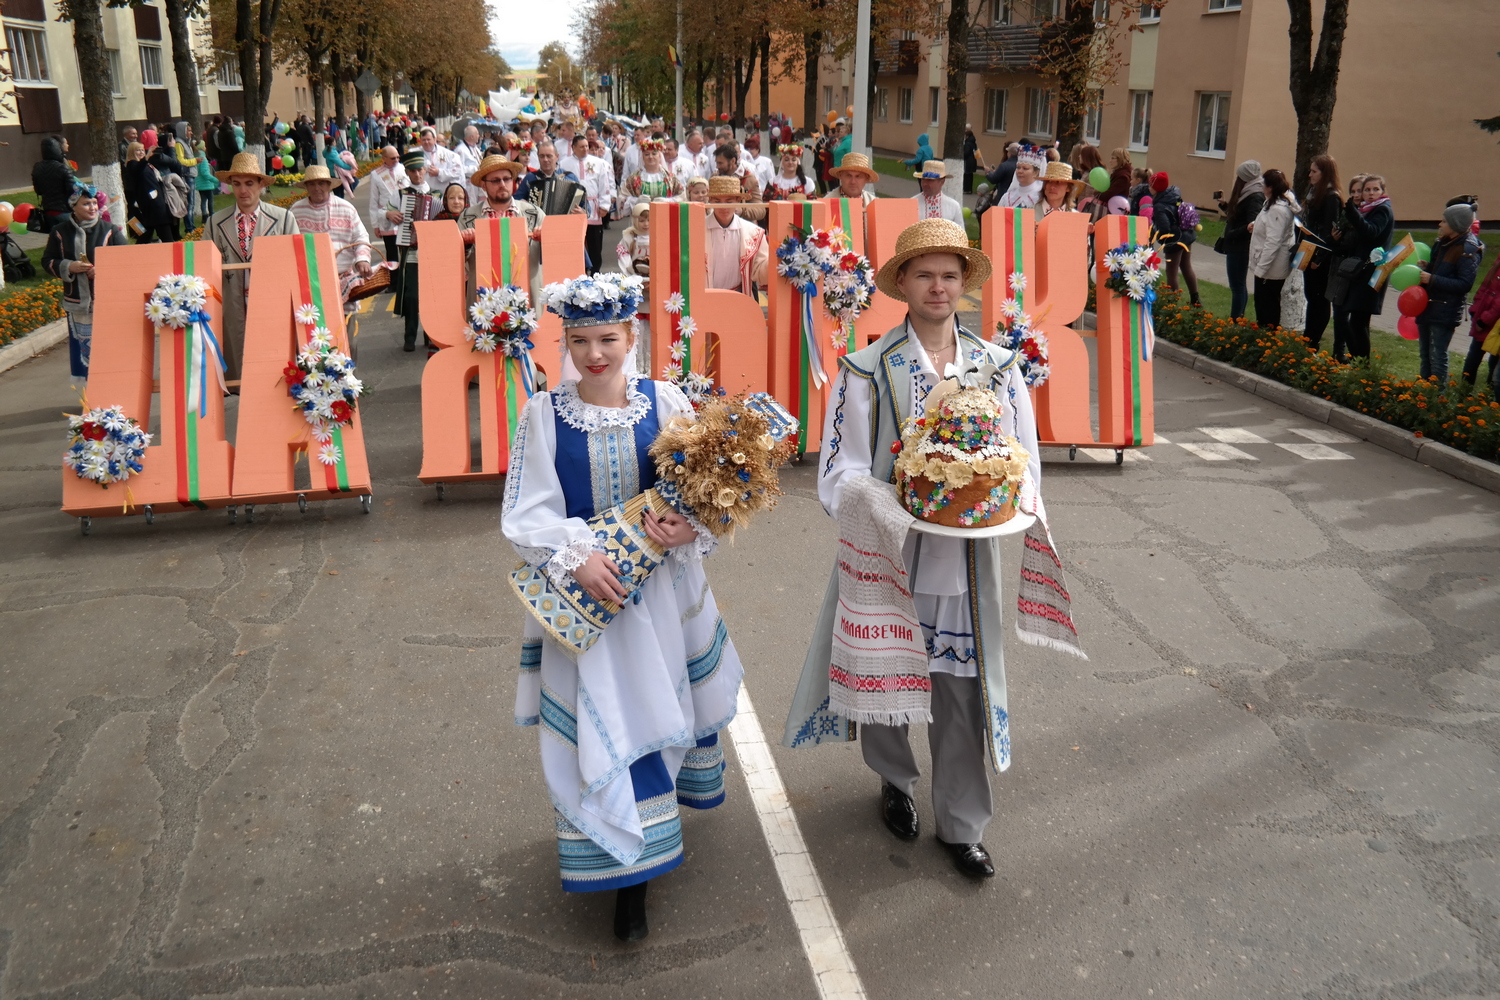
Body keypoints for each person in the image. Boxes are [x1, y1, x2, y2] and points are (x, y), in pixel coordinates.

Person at [782, 217, 1046, 880]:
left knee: (960, 691)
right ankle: (895, 781)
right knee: (886, 677)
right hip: (888, 558)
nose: (937, 285)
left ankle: (962, 824)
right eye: (924, 273)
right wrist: (891, 503)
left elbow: (1023, 460)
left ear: (964, 284)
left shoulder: (996, 367)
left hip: (963, 562)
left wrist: (1009, 500)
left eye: (949, 274)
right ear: (901, 282)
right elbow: (837, 471)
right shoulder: (865, 368)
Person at [502, 272, 743, 942]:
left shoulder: (664, 400)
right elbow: (525, 512)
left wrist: (690, 524)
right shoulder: (543, 414)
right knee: (602, 717)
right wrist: (574, 554)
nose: (595, 353)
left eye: (607, 338)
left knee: (654, 707)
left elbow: (706, 485)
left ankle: (643, 856)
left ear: (629, 335)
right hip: (587, 598)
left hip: (660, 595)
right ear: (567, 343)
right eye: (580, 340)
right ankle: (624, 875)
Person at [208, 152, 300, 379]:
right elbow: (205, 268)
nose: (243, 190)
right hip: (233, 304)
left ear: (261, 185)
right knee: (240, 363)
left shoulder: (284, 218)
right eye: (237, 184)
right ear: (230, 186)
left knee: (275, 364)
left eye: (249, 183)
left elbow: (297, 263)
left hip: (272, 302)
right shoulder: (215, 222)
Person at [42, 183, 124, 388]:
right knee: (86, 349)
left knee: (111, 347)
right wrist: (69, 266)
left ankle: (114, 389)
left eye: (95, 203)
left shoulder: (110, 231)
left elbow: (127, 260)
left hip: (108, 302)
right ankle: (92, 392)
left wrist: (103, 270)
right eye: (86, 204)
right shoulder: (60, 232)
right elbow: (47, 261)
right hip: (78, 302)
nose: (92, 208)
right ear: (74, 207)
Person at [289, 164, 374, 313]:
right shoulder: (296, 211)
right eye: (312, 184)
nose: (316, 188)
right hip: (309, 282)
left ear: (329, 185)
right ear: (306, 187)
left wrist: (362, 259)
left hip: (343, 279)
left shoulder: (346, 208)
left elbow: (360, 236)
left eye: (321, 183)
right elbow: (287, 243)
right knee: (314, 329)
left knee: (344, 329)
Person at [1414, 202, 1483, 384]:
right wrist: (1428, 267)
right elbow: (1443, 270)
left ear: (1456, 224)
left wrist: (1432, 279)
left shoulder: (1468, 249)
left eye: (1444, 221)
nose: (1439, 224)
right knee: (1425, 355)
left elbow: (1465, 283)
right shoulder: (1442, 242)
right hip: (1428, 305)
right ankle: (1422, 395)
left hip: (1445, 310)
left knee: (1438, 356)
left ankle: (1437, 397)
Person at [1327, 174, 1393, 361]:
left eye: (1375, 189)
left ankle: (1362, 364)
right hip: (1362, 271)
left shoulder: (1382, 210)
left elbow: (1371, 232)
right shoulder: (1367, 210)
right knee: (1354, 320)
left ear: (1382, 191)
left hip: (1372, 271)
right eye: (1367, 190)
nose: (1371, 193)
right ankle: (1358, 361)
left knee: (1358, 322)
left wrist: (1354, 215)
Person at [392, 149, 434, 353]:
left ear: (425, 169)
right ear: (407, 173)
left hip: (432, 254)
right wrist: (390, 213)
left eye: (420, 170)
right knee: (411, 297)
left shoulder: (436, 195)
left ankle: (431, 336)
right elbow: (385, 211)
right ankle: (409, 336)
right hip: (411, 252)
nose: (417, 175)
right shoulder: (401, 194)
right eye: (412, 171)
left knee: (431, 297)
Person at [1247, 169, 1299, 329]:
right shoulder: (1272, 202)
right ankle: (1265, 335)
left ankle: (1267, 336)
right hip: (1268, 265)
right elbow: (1271, 226)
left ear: (1270, 187)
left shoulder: (1278, 209)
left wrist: (1262, 269)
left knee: (1267, 306)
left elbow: (1273, 241)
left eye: (1264, 185)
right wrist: (1256, 226)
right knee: (1264, 303)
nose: (1262, 187)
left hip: (1271, 267)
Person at [1300, 155, 1342, 348]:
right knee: (1310, 295)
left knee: (1319, 299)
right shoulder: (1314, 192)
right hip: (1308, 248)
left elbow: (1329, 231)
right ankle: (1308, 336)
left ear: (1325, 173)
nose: (1310, 175)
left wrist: (1320, 257)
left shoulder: (1331, 196)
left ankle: (1313, 340)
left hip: (1320, 254)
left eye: (1314, 171)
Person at [1216, 160, 1265, 320]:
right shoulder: (1249, 191)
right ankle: (1238, 319)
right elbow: (1239, 216)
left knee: (1237, 286)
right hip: (1237, 245)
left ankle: (1236, 320)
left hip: (1240, 247)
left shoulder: (1255, 195)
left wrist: (1233, 233)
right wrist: (1225, 206)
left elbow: (1252, 224)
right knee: (1238, 286)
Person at [704, 175, 768, 294]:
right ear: (710, 200)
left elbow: (760, 274)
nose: (723, 207)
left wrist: (776, 261)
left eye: (729, 201)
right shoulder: (695, 229)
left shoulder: (754, 232)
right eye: (717, 201)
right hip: (704, 298)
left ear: (738, 200)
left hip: (739, 297)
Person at [1150, 172, 1201, 307]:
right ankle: (1195, 299)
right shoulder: (1174, 195)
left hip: (1174, 240)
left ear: (1155, 188)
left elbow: (1164, 228)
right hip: (1186, 235)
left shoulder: (1159, 206)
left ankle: (1172, 303)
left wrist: (1157, 235)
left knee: (1171, 272)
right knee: (1186, 266)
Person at [122, 141, 175, 245]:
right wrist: (146, 157)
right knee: (163, 231)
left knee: (147, 233)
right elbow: (138, 169)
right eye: (138, 150)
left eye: (142, 150)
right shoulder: (132, 164)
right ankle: (170, 248)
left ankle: (137, 252)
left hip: (155, 201)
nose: (141, 152)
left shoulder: (146, 164)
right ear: (132, 152)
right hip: (150, 204)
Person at [619, 136, 683, 216]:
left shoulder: (670, 178)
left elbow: (682, 198)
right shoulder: (633, 178)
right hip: (641, 221)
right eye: (647, 154)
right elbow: (622, 199)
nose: (651, 157)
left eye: (654, 154)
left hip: (664, 218)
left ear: (659, 156)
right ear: (642, 157)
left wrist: (668, 201)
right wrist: (636, 201)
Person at [1462, 253, 1500, 386]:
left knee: (1494, 360)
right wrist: (1475, 309)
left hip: (1495, 323)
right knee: (1473, 357)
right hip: (1484, 315)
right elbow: (1485, 287)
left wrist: (1484, 320)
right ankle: (1464, 392)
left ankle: (1490, 398)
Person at [517, 140, 584, 215]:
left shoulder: (570, 177)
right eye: (542, 156)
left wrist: (582, 211)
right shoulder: (530, 178)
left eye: (549, 156)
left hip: (564, 223)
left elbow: (584, 205)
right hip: (539, 224)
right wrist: (526, 206)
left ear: (557, 156)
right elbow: (516, 201)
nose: (545, 159)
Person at [367, 146, 408, 265]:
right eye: (392, 158)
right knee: (392, 254)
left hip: (404, 215)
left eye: (397, 157)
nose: (396, 160)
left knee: (406, 253)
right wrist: (375, 225)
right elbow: (373, 201)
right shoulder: (376, 174)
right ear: (384, 158)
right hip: (386, 217)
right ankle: (394, 281)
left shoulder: (404, 168)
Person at [32, 136, 76, 233]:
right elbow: (73, 190)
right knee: (70, 239)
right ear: (58, 149)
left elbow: (38, 191)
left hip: (48, 211)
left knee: (56, 240)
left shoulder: (37, 167)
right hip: (65, 210)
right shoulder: (63, 168)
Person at [912, 160, 965, 226]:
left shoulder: (953, 206)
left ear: (942, 181)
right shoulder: (911, 204)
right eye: (923, 179)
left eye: (930, 180)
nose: (924, 184)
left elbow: (961, 234)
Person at [997, 144, 1045, 209]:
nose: (1020, 171)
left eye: (1025, 168)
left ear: (1035, 173)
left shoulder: (1041, 197)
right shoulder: (1007, 197)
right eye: (1018, 167)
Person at [961, 124, 984, 195]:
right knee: (970, 175)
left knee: (966, 175)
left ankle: (966, 189)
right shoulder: (973, 141)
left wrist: (962, 154)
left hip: (968, 161)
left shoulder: (968, 143)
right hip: (973, 160)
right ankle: (969, 189)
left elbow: (966, 152)